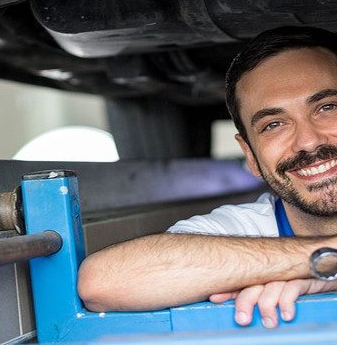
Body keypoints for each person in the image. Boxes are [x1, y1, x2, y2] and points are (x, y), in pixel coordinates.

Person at [77, 26, 337, 329]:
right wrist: (320, 261)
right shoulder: (245, 229)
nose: (308, 141)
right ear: (251, 155)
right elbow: (101, 283)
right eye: (273, 124)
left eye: (327, 107)